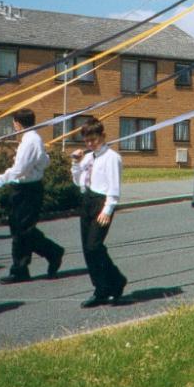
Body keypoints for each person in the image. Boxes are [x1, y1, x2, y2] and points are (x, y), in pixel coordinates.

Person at [0, 108, 65, 284]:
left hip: (27, 190)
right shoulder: (33, 139)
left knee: (22, 230)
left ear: (17, 123)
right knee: (21, 229)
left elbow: (20, 170)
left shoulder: (30, 141)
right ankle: (47, 255)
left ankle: (23, 267)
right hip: (27, 189)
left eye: (14, 123)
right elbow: (44, 162)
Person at [70, 119, 127, 308]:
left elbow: (114, 187)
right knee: (88, 249)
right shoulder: (89, 157)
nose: (90, 144)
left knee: (94, 246)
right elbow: (79, 182)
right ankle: (101, 289)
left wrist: (108, 209)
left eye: (93, 140)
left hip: (101, 203)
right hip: (87, 200)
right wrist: (76, 164)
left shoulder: (112, 157)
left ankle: (116, 280)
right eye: (86, 141)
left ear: (103, 136)